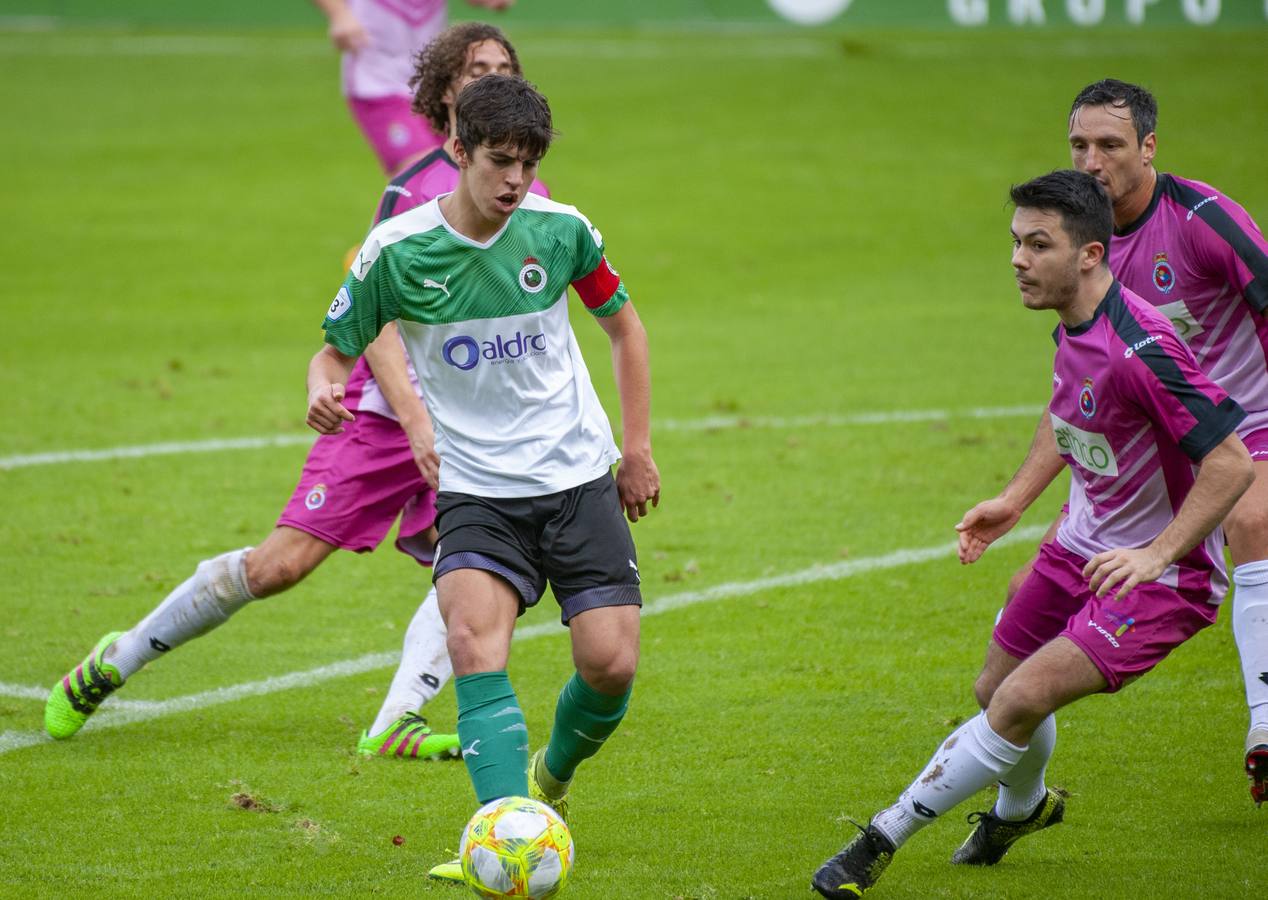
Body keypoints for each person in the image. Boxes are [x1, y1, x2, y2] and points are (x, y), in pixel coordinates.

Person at [43, 23, 541, 763]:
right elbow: (370, 312)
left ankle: (397, 719)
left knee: (474, 561)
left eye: (503, 69)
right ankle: (119, 658)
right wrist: (407, 417)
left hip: (469, 422)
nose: (490, 80)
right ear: (444, 94)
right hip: (389, 414)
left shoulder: (528, 189)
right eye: (474, 70)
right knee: (279, 567)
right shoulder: (413, 190)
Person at [811, 170, 1252, 898]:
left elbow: (1231, 462)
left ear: (1088, 254)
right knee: (994, 688)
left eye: (1037, 244)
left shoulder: (1144, 348)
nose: (1017, 258)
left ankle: (877, 841)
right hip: (1078, 545)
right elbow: (1069, 407)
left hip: (1159, 581)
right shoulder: (1076, 324)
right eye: (1016, 241)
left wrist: (1159, 552)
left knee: (1019, 699)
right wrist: (1016, 500)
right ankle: (1021, 811)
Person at [307, 73, 659, 882]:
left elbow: (625, 328)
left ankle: (549, 781)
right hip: (475, 488)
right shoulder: (397, 252)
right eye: (500, 161)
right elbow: (334, 347)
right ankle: (498, 836)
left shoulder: (561, 231)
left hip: (574, 476)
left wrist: (635, 449)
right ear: (457, 150)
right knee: (472, 644)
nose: (514, 181)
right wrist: (323, 386)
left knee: (610, 666)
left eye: (528, 165)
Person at [1001, 79, 1268, 804]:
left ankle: (1265, 727)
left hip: (1245, 424)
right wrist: (1018, 498)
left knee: (1252, 517)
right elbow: (1081, 397)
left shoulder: (1205, 221)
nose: (1092, 160)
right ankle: (1022, 803)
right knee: (1025, 605)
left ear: (1149, 148)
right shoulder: (1076, 239)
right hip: (1152, 447)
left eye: (1110, 145)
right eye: (1079, 145)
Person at [311, 0, 515, 175]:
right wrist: (340, 14)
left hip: (436, 86)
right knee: (424, 174)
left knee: (464, 172)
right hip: (378, 83)